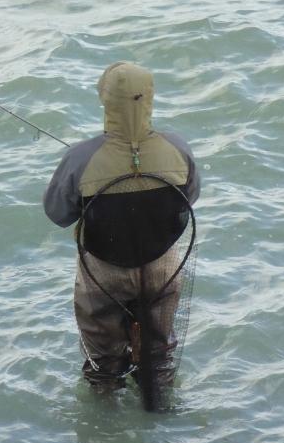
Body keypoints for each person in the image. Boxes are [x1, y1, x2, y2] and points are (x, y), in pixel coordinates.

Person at [43, 61, 200, 389]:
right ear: (150, 99)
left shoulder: (81, 158)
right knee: (158, 358)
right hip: (163, 268)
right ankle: (160, 418)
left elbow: (58, 213)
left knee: (103, 363)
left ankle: (105, 421)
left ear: (106, 101)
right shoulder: (179, 148)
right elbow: (190, 197)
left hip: (103, 273)